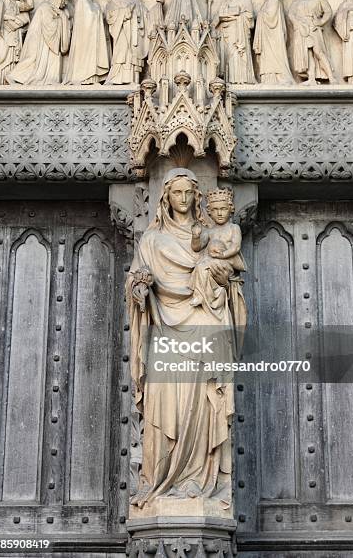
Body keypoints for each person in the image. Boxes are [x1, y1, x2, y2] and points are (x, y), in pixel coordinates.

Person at [127, 168, 246, 508]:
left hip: (204, 321)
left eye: (188, 193)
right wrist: (138, 288)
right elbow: (137, 277)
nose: (182, 199)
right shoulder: (150, 241)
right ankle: (164, 483)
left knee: (201, 407)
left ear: (197, 197)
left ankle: (199, 480)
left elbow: (231, 277)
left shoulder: (209, 236)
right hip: (165, 328)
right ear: (166, 197)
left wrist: (223, 280)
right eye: (176, 193)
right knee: (168, 407)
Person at [190, 187, 245, 316]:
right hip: (212, 262)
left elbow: (236, 247)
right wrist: (196, 236)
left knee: (207, 267)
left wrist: (222, 255)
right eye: (215, 210)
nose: (219, 213)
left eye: (223, 209)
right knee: (200, 267)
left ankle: (215, 294)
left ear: (230, 210)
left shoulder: (233, 228)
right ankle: (202, 294)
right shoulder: (210, 231)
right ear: (209, 212)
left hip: (228, 263)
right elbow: (196, 247)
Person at [7, 0, 71, 85]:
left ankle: (51, 80)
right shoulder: (46, 6)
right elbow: (49, 26)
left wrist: (63, 17)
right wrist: (62, 18)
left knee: (34, 60)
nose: (65, 2)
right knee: (32, 60)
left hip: (48, 42)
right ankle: (12, 76)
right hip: (43, 42)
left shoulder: (53, 8)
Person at [289, 0, 336, 85]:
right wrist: (297, 23)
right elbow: (291, 13)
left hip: (313, 27)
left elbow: (328, 12)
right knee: (307, 53)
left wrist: (320, 22)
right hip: (301, 28)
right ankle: (311, 78)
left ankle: (331, 77)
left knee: (318, 51)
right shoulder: (297, 0)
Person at [105, 0, 148, 85]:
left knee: (133, 56)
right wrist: (124, 13)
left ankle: (133, 79)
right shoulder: (115, 1)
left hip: (135, 34)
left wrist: (158, 5)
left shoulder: (138, 3)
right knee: (122, 54)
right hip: (123, 33)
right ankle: (117, 78)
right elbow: (109, 17)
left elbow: (148, 17)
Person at [63, 0, 109, 85]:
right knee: (87, 55)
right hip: (86, 35)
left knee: (92, 55)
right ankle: (85, 78)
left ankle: (92, 79)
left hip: (91, 33)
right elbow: (89, 15)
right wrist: (98, 10)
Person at [215, 0, 256, 84]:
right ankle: (229, 79)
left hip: (238, 31)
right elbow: (219, 15)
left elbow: (250, 16)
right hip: (226, 32)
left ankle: (241, 80)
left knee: (237, 53)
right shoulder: (226, 0)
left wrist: (235, 16)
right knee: (228, 55)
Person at [0, 0, 33, 85]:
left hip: (14, 33)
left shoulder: (16, 4)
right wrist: (11, 18)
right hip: (3, 34)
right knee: (1, 56)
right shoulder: (0, 2)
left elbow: (30, 6)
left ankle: (7, 79)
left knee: (12, 58)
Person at [253, 0, 293, 85]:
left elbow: (271, 17)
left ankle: (274, 78)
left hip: (272, 35)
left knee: (272, 56)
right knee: (269, 55)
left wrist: (259, 15)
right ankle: (269, 78)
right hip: (269, 34)